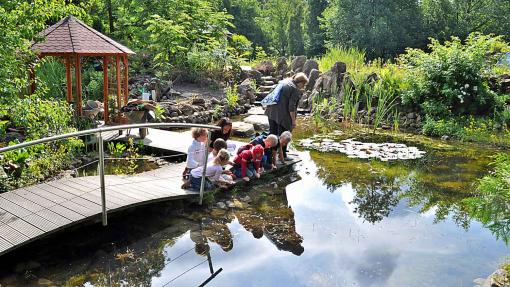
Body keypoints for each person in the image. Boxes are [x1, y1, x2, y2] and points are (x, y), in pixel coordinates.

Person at [265, 72, 308, 159]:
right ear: (301, 82)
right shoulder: (295, 89)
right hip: (282, 114)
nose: (303, 87)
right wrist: (293, 121)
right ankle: (283, 155)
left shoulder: (284, 81)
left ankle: (269, 153)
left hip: (271, 110)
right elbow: (291, 107)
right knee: (285, 135)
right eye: (304, 85)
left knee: (272, 133)